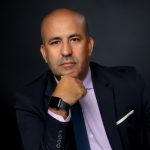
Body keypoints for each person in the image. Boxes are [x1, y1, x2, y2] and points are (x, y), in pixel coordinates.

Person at [14, 8, 150, 150]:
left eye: (74, 39)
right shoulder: (28, 101)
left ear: (89, 46)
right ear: (44, 53)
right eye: (55, 42)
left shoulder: (129, 81)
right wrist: (58, 106)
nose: (66, 51)